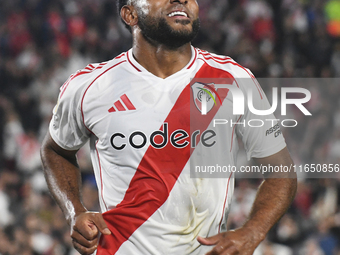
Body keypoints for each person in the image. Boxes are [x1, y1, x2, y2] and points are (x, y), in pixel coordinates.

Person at [40, 0, 297, 254]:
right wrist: (75, 211)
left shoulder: (234, 79)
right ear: (130, 15)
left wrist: (253, 231)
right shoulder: (88, 87)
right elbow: (55, 150)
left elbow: (281, 169)